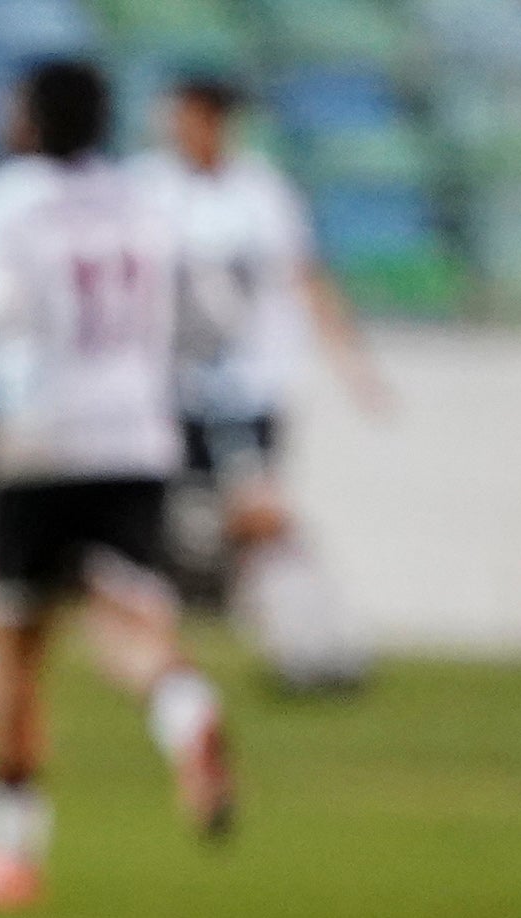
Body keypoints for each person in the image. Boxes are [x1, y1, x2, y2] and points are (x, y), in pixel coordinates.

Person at [0, 59, 235, 912]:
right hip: (136, 437)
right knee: (132, 623)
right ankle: (188, 710)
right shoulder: (150, 202)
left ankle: (7, 848)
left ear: (30, 121)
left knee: (19, 649)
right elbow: (212, 319)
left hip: (38, 440)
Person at [132, 74, 388, 695]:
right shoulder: (146, 187)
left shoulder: (260, 193)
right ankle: (161, 657)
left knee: (261, 518)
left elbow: (304, 276)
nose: (186, 129)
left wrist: (353, 364)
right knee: (147, 523)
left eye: (197, 117)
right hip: (165, 390)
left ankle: (315, 645)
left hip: (241, 390)